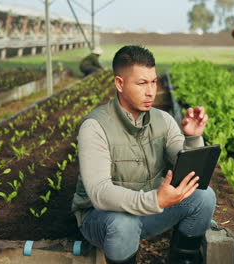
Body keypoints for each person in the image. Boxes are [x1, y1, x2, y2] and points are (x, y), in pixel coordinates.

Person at [71, 45, 216, 264]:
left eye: (153, 81)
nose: (151, 91)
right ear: (119, 83)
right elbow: (99, 193)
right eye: (141, 83)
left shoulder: (163, 120)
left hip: (149, 208)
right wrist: (154, 199)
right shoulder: (95, 126)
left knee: (204, 197)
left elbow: (188, 169)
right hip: (103, 218)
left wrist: (193, 138)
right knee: (123, 224)